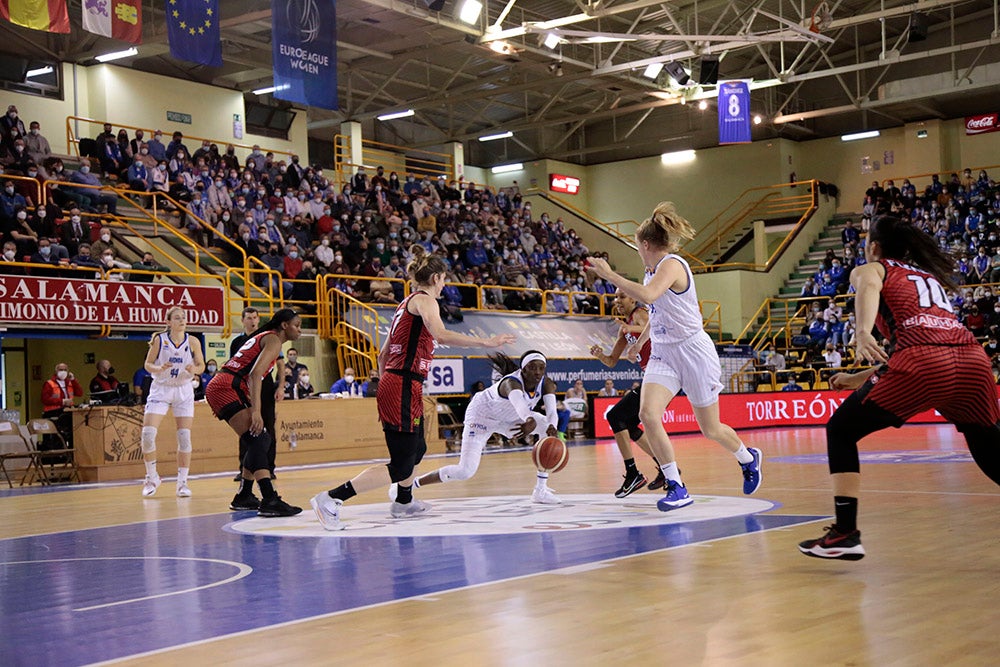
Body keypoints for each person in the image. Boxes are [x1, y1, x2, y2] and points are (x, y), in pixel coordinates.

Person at [798, 215, 1000, 560]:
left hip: (925, 363)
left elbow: (869, 286)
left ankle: (845, 533)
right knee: (988, 443)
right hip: (972, 360)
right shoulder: (928, 277)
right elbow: (929, 339)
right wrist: (857, 379)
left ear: (874, 247)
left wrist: (863, 331)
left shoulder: (874, 269)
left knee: (841, 430)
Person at [310, 245, 515, 530]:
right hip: (402, 383)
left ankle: (404, 501)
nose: (444, 285)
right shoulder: (425, 301)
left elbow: (383, 355)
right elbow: (441, 334)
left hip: (400, 382)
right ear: (435, 278)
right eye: (443, 280)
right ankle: (331, 498)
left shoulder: (403, 305)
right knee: (401, 465)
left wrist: (390, 384)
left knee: (417, 448)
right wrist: (486, 342)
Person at [586, 201, 763, 511]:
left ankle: (748, 458)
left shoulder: (672, 264)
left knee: (711, 429)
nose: (637, 251)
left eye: (637, 246)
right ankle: (676, 486)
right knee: (647, 415)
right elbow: (657, 311)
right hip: (664, 353)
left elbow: (649, 296)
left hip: (693, 351)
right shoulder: (650, 271)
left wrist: (610, 275)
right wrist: (641, 341)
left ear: (644, 244)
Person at [409, 351, 562, 504]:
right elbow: (520, 405)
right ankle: (410, 485)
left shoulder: (546, 383)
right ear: (524, 369)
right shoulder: (511, 383)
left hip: (509, 420)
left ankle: (540, 490)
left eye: (541, 368)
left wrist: (552, 427)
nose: (538, 372)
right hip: (482, 416)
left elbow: (552, 412)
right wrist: (528, 418)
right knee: (465, 471)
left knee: (545, 427)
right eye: (533, 367)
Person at [206, 308, 303, 517]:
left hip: (229, 385)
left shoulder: (266, 337)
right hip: (227, 386)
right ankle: (269, 498)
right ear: (284, 325)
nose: (300, 330)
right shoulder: (274, 340)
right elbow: (255, 374)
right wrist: (256, 411)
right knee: (258, 438)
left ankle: (244, 495)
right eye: (297, 325)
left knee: (261, 439)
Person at [590, 292, 664, 497]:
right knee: (628, 424)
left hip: (661, 376)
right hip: (651, 378)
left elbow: (653, 327)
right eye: (615, 298)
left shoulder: (640, 313)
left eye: (621, 297)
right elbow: (612, 361)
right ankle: (664, 468)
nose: (617, 301)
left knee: (615, 416)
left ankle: (633, 474)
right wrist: (600, 355)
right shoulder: (625, 328)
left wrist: (630, 328)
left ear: (632, 299)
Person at [139, 307, 206, 498]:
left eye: (183, 317)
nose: (182, 320)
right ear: (168, 322)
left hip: (183, 390)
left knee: (184, 436)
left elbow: (201, 366)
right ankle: (152, 478)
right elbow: (147, 364)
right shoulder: (160, 340)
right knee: (147, 435)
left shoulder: (192, 341)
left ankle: (182, 483)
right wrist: (158, 368)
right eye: (177, 318)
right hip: (161, 388)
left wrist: (194, 369)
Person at [230, 307, 283, 480]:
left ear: (258, 320)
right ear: (243, 320)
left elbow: (280, 363)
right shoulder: (237, 342)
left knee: (269, 426)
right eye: (249, 318)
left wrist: (281, 386)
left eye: (255, 317)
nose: (252, 321)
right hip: (245, 387)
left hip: (265, 385)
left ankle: (269, 467)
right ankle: (244, 469)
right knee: (246, 427)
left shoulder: (268, 338)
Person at [40, 362, 83, 448]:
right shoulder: (49, 383)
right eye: (61, 370)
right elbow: (45, 399)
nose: (63, 372)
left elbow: (79, 393)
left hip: (68, 412)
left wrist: (73, 380)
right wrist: (62, 401)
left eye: (65, 370)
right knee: (56, 439)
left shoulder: (69, 383)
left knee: (72, 434)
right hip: (53, 412)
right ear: (56, 371)